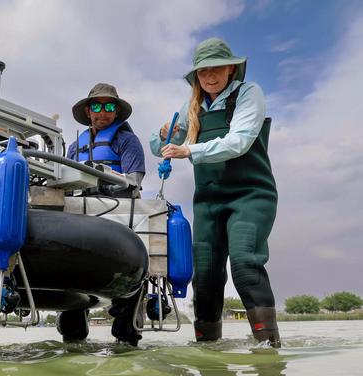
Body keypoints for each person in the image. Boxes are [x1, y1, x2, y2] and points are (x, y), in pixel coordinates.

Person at [149, 38, 280, 347]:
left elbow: (240, 141)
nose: (209, 77)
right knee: (205, 274)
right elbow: (161, 148)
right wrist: (162, 136)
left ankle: (268, 350)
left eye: (216, 69)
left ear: (230, 67)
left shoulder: (248, 94)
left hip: (251, 195)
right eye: (203, 71)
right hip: (208, 202)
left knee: (245, 263)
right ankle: (208, 353)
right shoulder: (191, 105)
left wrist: (188, 150)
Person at [57, 83, 146, 346]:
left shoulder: (127, 140)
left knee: (128, 283)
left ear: (116, 112)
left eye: (109, 107)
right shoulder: (74, 146)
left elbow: (134, 181)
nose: (102, 112)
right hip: (80, 219)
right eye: (96, 106)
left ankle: (126, 342)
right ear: (88, 111)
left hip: (118, 218)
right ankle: (73, 341)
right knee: (70, 275)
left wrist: (100, 184)